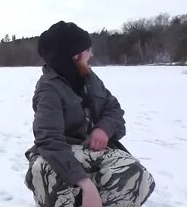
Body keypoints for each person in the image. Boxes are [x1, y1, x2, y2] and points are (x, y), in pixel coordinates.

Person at [24, 21, 155, 207]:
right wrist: (84, 183)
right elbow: (49, 140)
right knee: (44, 169)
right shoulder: (48, 89)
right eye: (88, 50)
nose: (91, 54)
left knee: (136, 173)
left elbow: (114, 110)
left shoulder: (89, 78)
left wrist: (103, 129)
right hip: (61, 153)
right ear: (75, 56)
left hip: (93, 151)